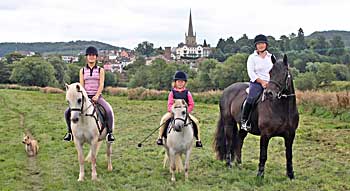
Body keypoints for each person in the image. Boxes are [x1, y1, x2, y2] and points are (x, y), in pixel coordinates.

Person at [63, 46, 116, 142]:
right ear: (86, 57)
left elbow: (101, 84)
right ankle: (69, 132)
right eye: (89, 55)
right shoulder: (82, 71)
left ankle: (109, 133)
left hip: (97, 96)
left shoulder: (100, 70)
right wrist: (85, 97)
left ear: (96, 57)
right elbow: (81, 86)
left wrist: (96, 95)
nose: (91, 57)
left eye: (93, 55)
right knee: (67, 112)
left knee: (108, 110)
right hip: (85, 97)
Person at [156, 71, 203, 148]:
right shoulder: (172, 93)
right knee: (164, 119)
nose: (180, 83)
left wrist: (187, 112)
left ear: (185, 83)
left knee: (196, 122)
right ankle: (160, 137)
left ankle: (198, 140)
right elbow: (170, 104)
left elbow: (191, 104)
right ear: (175, 82)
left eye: (182, 82)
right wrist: (172, 111)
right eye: (178, 82)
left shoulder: (187, 93)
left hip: (184, 113)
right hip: (173, 113)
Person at [241, 34, 274, 131]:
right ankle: (244, 121)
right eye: (259, 44)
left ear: (266, 45)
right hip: (256, 83)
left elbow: (275, 70)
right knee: (251, 98)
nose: (261, 45)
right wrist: (262, 82)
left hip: (270, 83)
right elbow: (251, 73)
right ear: (256, 46)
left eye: (262, 43)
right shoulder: (252, 58)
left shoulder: (271, 57)